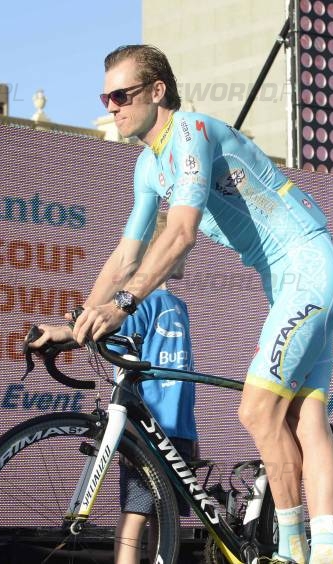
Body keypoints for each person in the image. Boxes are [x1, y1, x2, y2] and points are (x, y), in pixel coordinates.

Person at [31, 44, 333, 563]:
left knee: (256, 410)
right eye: (105, 96)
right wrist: (76, 324)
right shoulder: (146, 166)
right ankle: (328, 552)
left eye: (121, 94)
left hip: (311, 268)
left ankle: (294, 552)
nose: (111, 106)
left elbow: (181, 233)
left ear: (157, 91)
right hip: (294, 280)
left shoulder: (191, 133)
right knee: (304, 417)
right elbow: (125, 255)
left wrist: (121, 304)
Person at [112, 212, 198, 564]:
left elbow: (185, 376)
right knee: (137, 509)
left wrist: (192, 433)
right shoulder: (138, 303)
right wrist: (126, 422)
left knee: (168, 516)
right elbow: (120, 360)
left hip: (178, 431)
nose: (185, 256)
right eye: (179, 249)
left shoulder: (181, 306)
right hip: (144, 429)